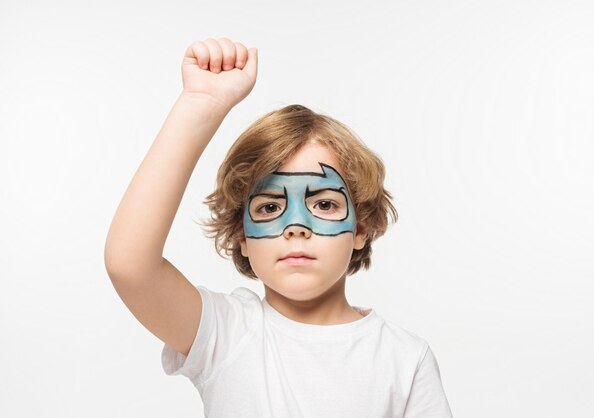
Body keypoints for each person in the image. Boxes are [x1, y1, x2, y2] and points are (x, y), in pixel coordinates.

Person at [104, 37, 453, 418]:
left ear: (361, 228)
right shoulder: (226, 334)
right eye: (270, 206)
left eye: (323, 204)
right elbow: (130, 265)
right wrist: (199, 105)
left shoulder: (404, 358)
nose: (297, 226)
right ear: (242, 236)